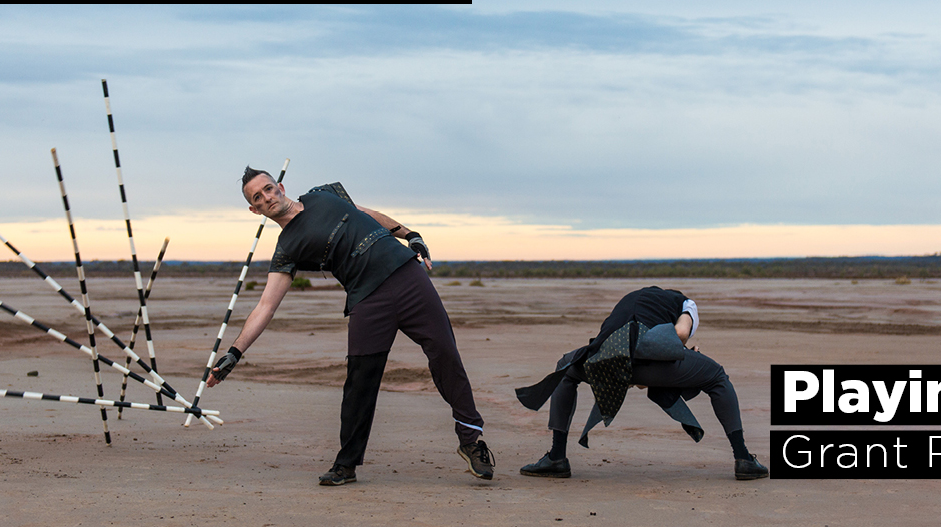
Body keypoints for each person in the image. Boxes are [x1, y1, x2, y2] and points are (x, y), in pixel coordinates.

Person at [207, 167, 494, 485]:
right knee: (359, 381)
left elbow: (366, 213)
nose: (267, 197)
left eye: (269, 189)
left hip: (406, 276)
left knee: (445, 354)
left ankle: (471, 441)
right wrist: (235, 352)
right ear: (254, 209)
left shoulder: (323, 194)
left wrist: (411, 235)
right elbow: (266, 305)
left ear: (281, 187)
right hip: (368, 301)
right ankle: (346, 464)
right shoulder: (287, 247)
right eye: (258, 197)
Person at [514, 286, 768, 480]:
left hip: (605, 357)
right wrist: (686, 351)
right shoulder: (687, 304)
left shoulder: (629, 300)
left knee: (566, 368)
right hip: (649, 358)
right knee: (717, 377)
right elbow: (679, 334)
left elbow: (621, 348)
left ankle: (557, 457)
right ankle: (743, 458)